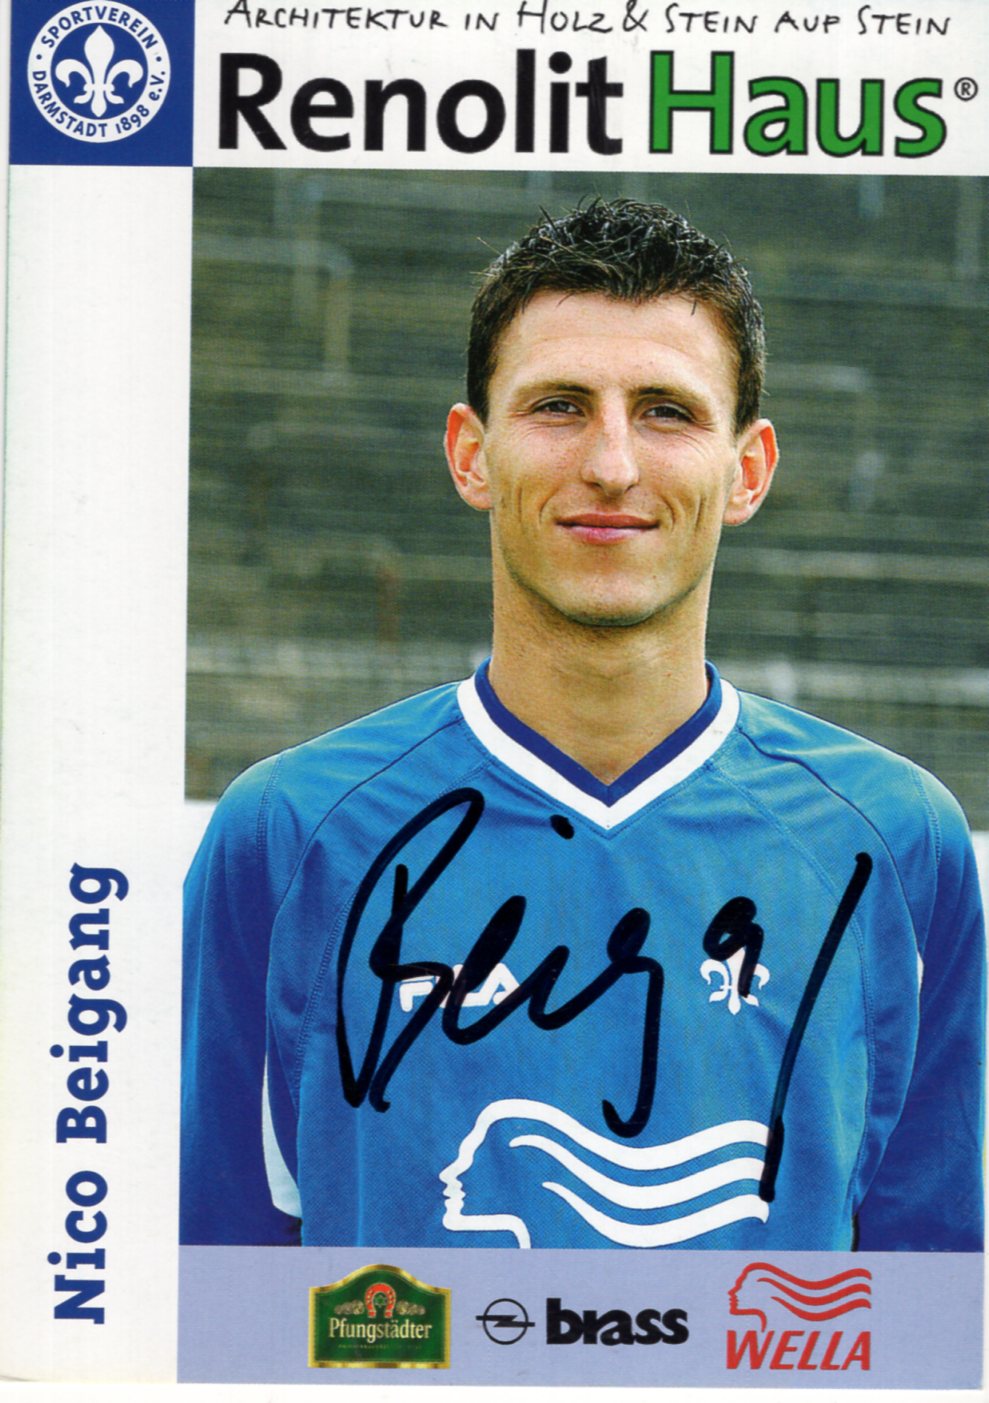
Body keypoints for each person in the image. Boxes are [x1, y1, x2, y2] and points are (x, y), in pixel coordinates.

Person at [181, 199, 984, 1251]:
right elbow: (209, 1289)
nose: (611, 463)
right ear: (470, 454)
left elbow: (925, 1304)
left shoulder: (896, 843)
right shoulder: (288, 836)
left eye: (666, 411)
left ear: (746, 470)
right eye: (558, 405)